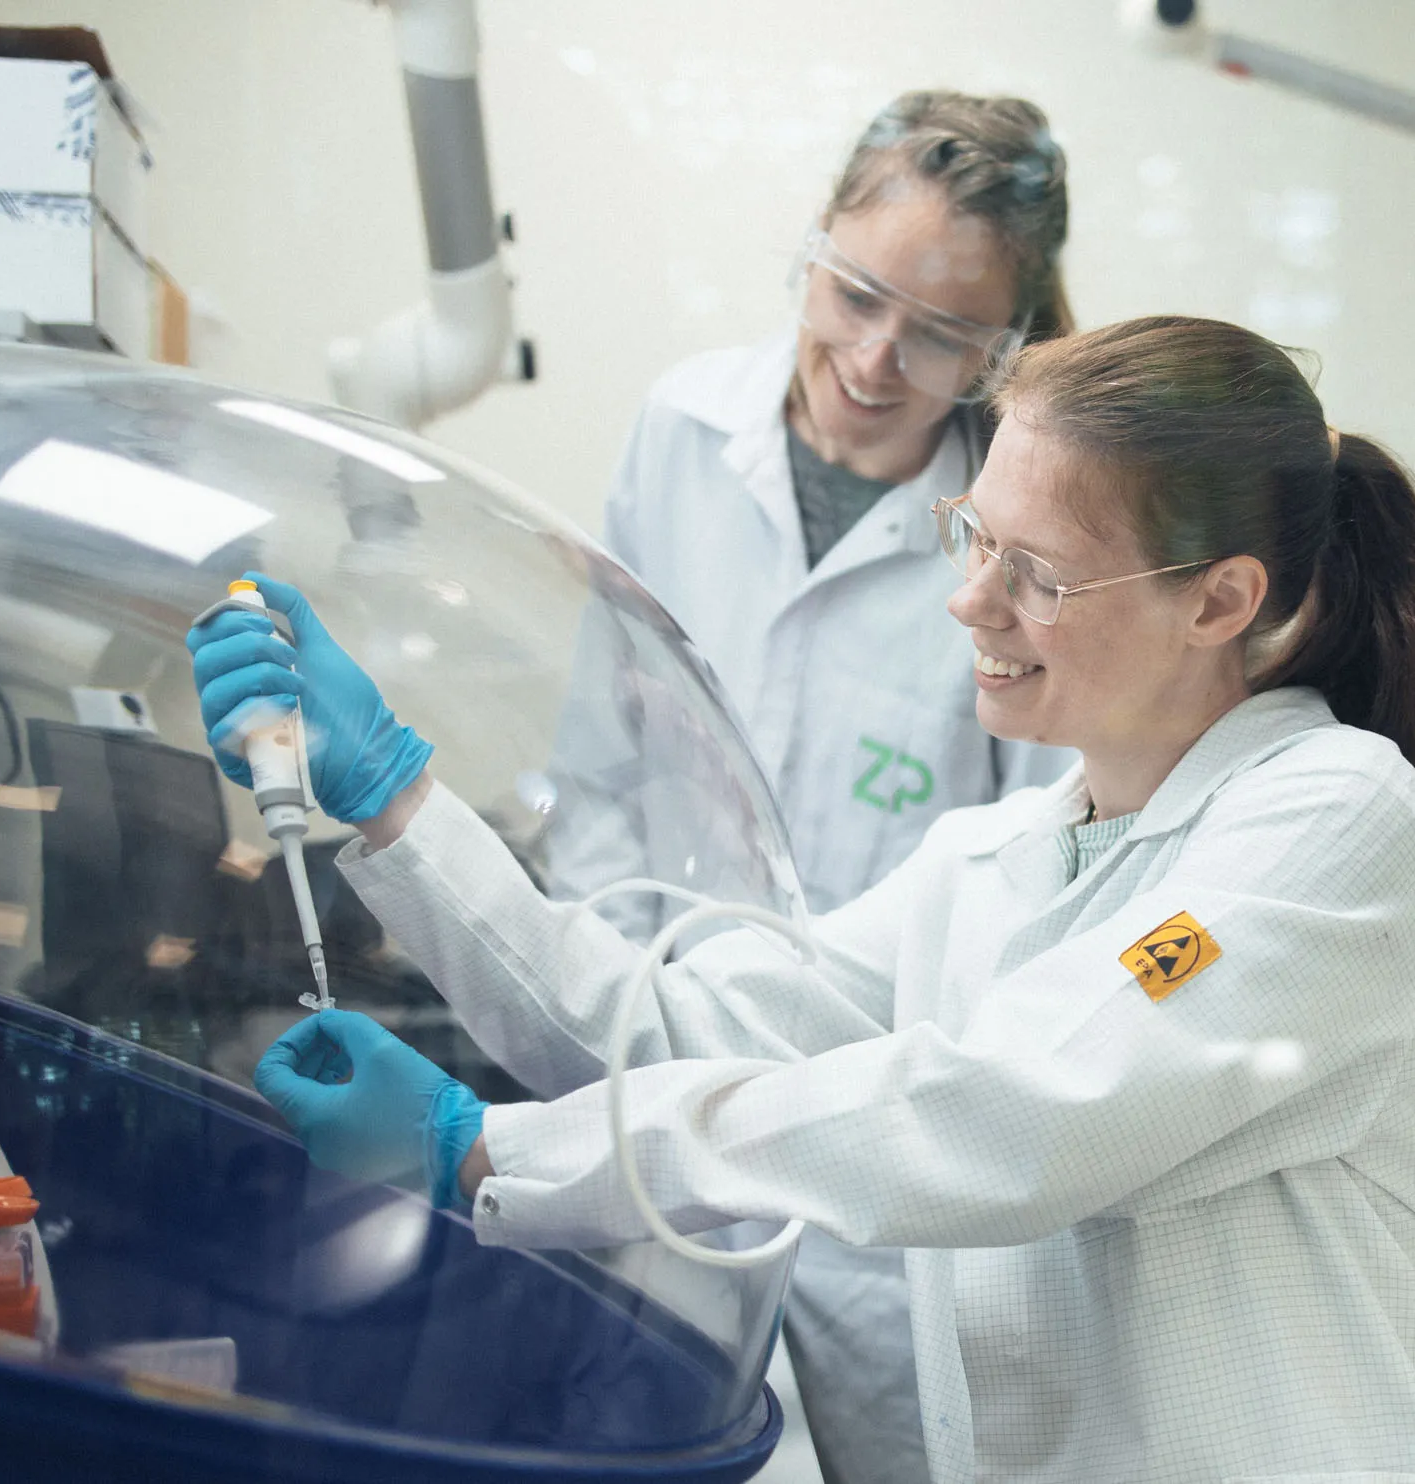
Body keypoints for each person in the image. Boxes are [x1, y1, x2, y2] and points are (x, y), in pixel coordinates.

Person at [191, 315, 1415, 1481]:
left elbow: (1007, 1115)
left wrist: (494, 1153)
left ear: (1221, 599)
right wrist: (401, 807)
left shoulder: (1331, 819)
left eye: (1037, 573)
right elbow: (653, 1026)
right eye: (976, 536)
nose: (968, 599)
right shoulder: (989, 864)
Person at [550, 90, 1076, 1484]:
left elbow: (1044, 866)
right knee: (650, 1444)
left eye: (944, 332)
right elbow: (598, 762)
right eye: (854, 293)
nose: (876, 355)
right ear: (815, 244)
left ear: (1004, 348)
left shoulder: (1021, 541)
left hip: (870, 1147)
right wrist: (603, 1013)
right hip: (647, 1081)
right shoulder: (680, 433)